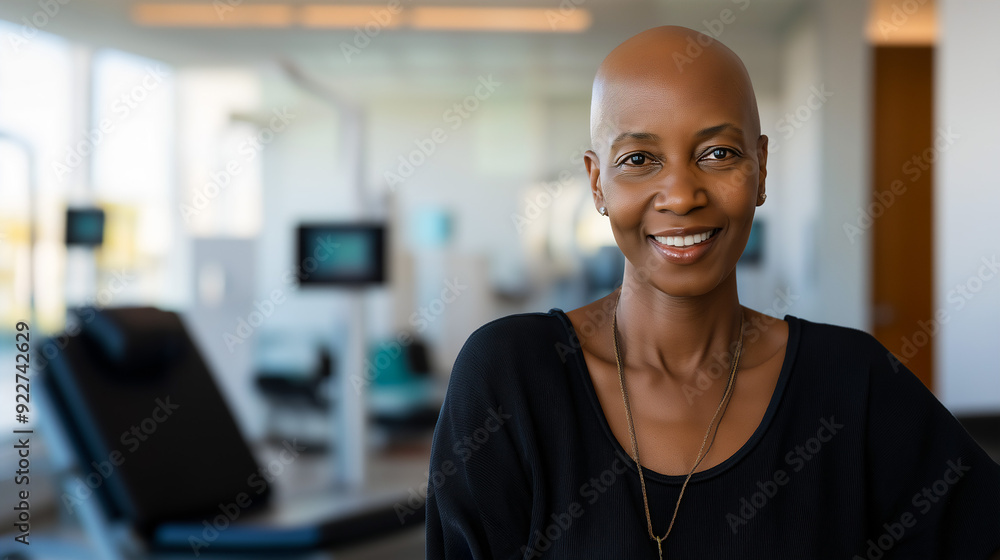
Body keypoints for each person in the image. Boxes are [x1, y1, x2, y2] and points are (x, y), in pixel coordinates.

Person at [424, 25, 1000, 559]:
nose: (680, 194)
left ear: (762, 168)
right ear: (597, 182)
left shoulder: (852, 383)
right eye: (639, 160)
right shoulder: (512, 378)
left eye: (718, 153)